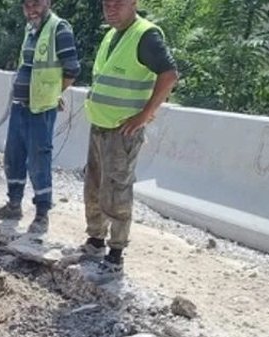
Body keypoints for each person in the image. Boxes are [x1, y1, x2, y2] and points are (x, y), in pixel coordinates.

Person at [81, 0, 179, 271]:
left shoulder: (145, 35)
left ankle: (115, 254)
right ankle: (95, 240)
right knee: (95, 187)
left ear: (133, 3)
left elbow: (169, 75)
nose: (110, 9)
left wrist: (145, 114)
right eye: (106, 4)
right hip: (100, 125)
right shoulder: (112, 35)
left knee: (116, 190)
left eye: (117, 3)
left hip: (121, 130)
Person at [0, 0, 81, 235]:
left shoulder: (59, 29)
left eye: (36, 3)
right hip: (20, 106)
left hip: (40, 109)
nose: (31, 9)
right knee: (14, 156)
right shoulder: (31, 30)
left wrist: (53, 93)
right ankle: (14, 205)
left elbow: (72, 69)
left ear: (48, 2)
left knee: (39, 159)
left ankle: (41, 214)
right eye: (27, 5)